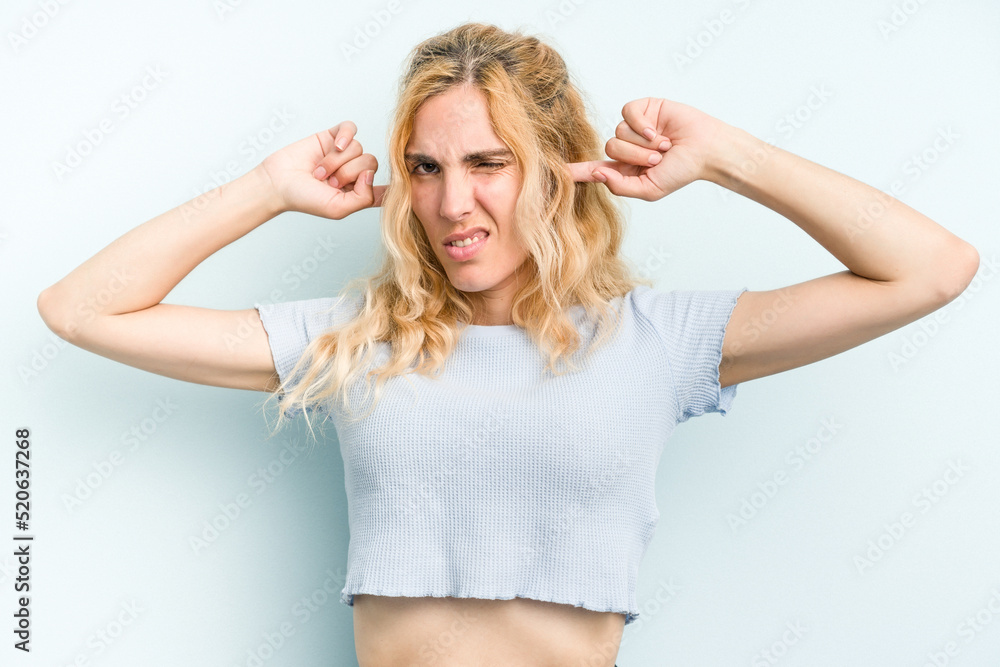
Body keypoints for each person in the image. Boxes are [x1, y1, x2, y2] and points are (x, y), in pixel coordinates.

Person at [36, 21, 978, 667]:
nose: (454, 204)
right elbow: (83, 309)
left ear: (560, 170)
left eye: (490, 164)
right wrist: (268, 185)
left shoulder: (658, 341)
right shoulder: (356, 340)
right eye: (426, 168)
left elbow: (932, 267)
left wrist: (729, 154)